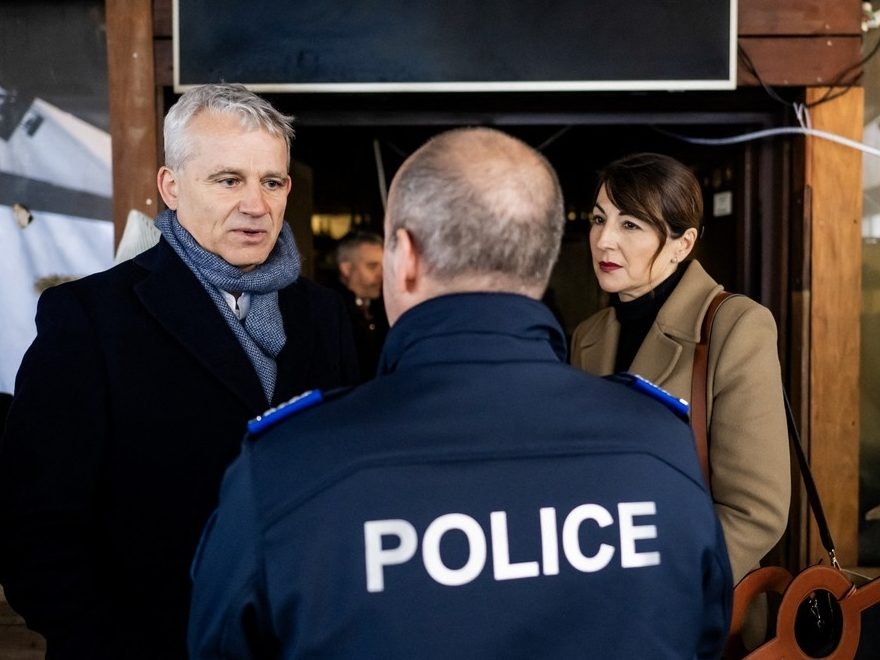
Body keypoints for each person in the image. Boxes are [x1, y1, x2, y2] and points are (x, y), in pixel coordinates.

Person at [187, 127, 733, 659]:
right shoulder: (661, 445)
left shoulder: (287, 468)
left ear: (403, 257)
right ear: (539, 263)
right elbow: (702, 629)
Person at [0, 83, 358, 659]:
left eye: (271, 182)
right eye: (228, 180)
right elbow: (35, 527)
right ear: (171, 186)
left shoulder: (323, 314)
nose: (255, 204)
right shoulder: (91, 318)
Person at [569, 152, 791, 586]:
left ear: (682, 244)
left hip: (688, 598)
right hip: (602, 589)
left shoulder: (736, 326)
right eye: (599, 219)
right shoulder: (588, 336)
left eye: (629, 224)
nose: (603, 240)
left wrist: (665, 589)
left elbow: (756, 512)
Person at [331, 230, 390, 382]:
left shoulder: (384, 308)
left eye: (384, 266)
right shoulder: (329, 313)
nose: (382, 274)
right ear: (346, 269)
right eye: (372, 266)